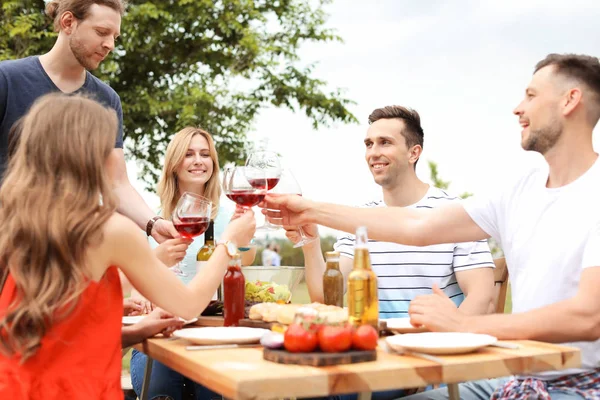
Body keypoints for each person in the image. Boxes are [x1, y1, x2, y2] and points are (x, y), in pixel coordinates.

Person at [264, 53, 600, 399]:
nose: (517, 108)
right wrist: (307, 211)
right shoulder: (519, 190)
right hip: (516, 379)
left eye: (530, 95)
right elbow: (418, 225)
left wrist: (464, 326)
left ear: (569, 100)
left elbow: (589, 317)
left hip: (582, 386)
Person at [0, 93, 255, 400]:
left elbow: (51, 329)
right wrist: (230, 242)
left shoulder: (15, 223)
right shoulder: (109, 230)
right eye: (110, 147)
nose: (116, 157)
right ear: (86, 155)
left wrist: (132, 332)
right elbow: (186, 305)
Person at [283, 106, 495, 400]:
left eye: (385, 142)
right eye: (369, 144)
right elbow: (324, 296)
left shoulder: (454, 213)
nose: (373, 152)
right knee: (309, 388)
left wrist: (438, 354)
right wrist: (309, 242)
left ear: (414, 152)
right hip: (374, 355)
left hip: (433, 358)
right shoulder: (358, 219)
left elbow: (482, 297)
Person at [0, 0, 177, 243]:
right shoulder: (7, 79)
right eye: (102, 32)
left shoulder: (107, 100)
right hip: (9, 245)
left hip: (73, 252)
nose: (110, 45)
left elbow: (116, 183)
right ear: (68, 22)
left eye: (115, 36)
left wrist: (153, 223)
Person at [129, 126, 255, 400]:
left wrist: (240, 237)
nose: (199, 161)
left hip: (212, 331)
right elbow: (134, 291)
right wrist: (156, 264)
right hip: (160, 335)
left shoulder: (226, 216)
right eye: (189, 154)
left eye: (205, 154)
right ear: (174, 164)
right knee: (160, 388)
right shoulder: (150, 221)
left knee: (214, 391)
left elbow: (245, 259)